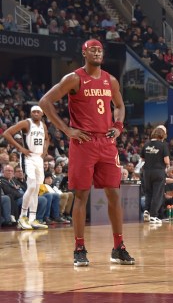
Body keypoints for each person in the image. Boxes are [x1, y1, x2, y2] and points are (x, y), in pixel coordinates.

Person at [39, 39, 134, 266]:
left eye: (100, 50)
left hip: (106, 143)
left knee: (114, 194)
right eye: (93, 49)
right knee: (81, 196)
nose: (97, 52)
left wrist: (118, 127)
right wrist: (67, 129)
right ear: (84, 53)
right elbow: (45, 102)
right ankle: (79, 248)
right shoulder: (74, 78)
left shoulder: (110, 80)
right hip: (84, 143)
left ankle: (118, 247)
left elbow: (120, 106)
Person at [2, 105, 50, 229]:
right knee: (32, 186)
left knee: (36, 190)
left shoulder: (43, 126)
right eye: (33, 111)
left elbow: (47, 139)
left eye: (38, 112)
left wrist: (44, 152)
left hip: (38, 158)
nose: (35, 113)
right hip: (28, 158)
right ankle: (22, 217)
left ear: (42, 113)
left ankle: (33, 219)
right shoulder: (26, 123)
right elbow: (7, 133)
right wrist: (21, 148)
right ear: (30, 113)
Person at [140, 125, 170, 224]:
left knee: (148, 193)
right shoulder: (163, 145)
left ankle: (146, 211)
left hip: (147, 172)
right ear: (162, 135)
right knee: (157, 194)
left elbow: (142, 159)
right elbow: (166, 160)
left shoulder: (146, 144)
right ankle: (153, 216)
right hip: (158, 171)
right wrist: (168, 165)